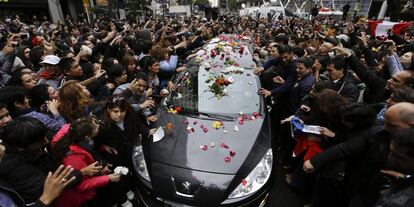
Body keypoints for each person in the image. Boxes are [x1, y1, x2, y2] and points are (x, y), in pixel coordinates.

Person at [52, 117, 121, 207]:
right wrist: (108, 178)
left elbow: (88, 149)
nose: (98, 125)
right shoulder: (74, 158)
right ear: (87, 137)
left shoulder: (75, 137)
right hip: (76, 199)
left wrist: (103, 147)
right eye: (95, 127)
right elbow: (82, 185)